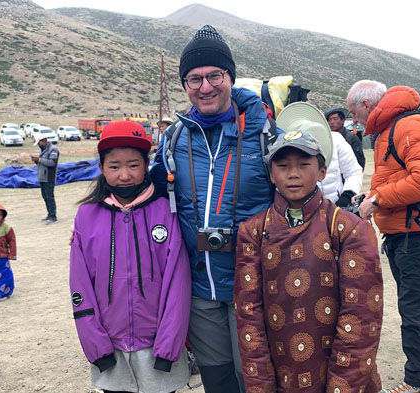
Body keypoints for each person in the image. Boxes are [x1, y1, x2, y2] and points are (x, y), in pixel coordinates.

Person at [150, 25, 277, 393]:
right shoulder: (175, 138)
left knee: (255, 379)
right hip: (198, 290)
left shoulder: (265, 133)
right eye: (194, 79)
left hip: (253, 289)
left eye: (214, 76)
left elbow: (296, 197)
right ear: (185, 84)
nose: (205, 87)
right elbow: (150, 195)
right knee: (217, 381)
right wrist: (101, 219)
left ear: (230, 78)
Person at [234, 113, 383, 393]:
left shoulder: (348, 229)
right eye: (282, 166)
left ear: (323, 171)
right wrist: (260, 386)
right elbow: (249, 316)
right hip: (280, 374)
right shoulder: (253, 231)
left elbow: (361, 317)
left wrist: (342, 386)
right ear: (271, 174)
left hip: (340, 373)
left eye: (304, 164)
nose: (293, 174)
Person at [348, 80, 420, 393]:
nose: (353, 119)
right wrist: (371, 195)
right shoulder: (392, 128)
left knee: (416, 312)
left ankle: (418, 384)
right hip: (407, 233)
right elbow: (401, 178)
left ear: (367, 105)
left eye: (353, 111)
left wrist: (379, 200)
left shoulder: (408, 125)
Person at [70, 120, 191, 393]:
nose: (124, 175)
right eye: (114, 166)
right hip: (110, 349)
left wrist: (167, 348)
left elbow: (178, 285)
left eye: (133, 165)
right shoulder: (86, 217)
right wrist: (98, 349)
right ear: (101, 168)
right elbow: (80, 287)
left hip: (158, 346)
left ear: (146, 165)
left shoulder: (166, 212)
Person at [318, 125, 363, 208]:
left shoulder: (335, 139)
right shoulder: (288, 144)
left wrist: (347, 196)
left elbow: (353, 172)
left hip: (335, 205)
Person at [31, 134, 59, 223]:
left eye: (39, 143)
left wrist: (39, 160)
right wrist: (36, 161)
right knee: (45, 197)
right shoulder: (43, 150)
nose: (39, 145)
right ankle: (49, 214)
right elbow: (42, 163)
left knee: (50, 197)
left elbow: (52, 163)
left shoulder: (53, 149)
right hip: (42, 177)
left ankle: (53, 216)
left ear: (44, 141)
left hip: (49, 177)